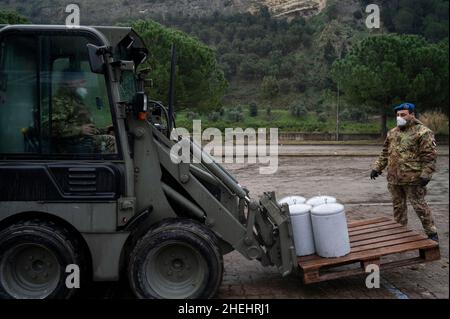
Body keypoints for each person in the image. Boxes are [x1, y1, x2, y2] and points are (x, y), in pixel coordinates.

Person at [370, 103, 439, 242]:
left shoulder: (423, 132)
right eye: (398, 115)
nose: (399, 117)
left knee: (419, 206)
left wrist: (426, 174)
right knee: (398, 207)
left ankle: (431, 233)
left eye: (403, 114)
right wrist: (377, 167)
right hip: (394, 178)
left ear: (412, 115)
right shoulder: (393, 132)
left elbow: (430, 156)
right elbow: (385, 153)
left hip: (413, 179)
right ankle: (400, 232)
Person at [50, 69, 115, 154]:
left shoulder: (75, 101)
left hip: (79, 142)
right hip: (68, 146)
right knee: (110, 140)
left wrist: (105, 130)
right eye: (81, 82)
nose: (84, 85)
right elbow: (52, 128)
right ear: (70, 83)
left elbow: (86, 129)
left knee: (115, 136)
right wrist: (80, 130)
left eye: (84, 82)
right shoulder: (59, 102)